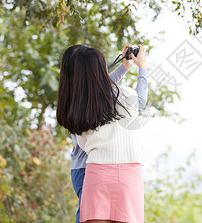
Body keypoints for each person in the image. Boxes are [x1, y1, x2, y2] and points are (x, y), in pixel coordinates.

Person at [57, 44, 148, 223]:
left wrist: (124, 67)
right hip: (94, 167)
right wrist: (142, 68)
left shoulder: (74, 98)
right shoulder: (94, 97)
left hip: (89, 167)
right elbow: (126, 97)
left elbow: (103, 91)